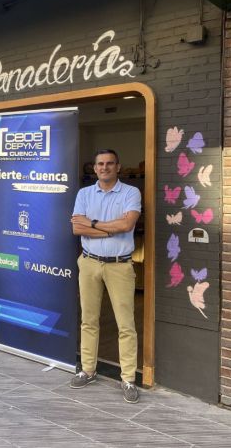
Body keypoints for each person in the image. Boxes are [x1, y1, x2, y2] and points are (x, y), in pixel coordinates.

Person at [70, 149, 141, 403]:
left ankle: (128, 378)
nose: (104, 167)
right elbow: (77, 227)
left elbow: (126, 225)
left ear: (118, 167)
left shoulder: (131, 193)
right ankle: (88, 369)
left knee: (126, 324)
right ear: (95, 168)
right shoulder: (84, 194)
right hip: (89, 263)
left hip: (119, 266)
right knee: (88, 320)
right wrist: (108, 228)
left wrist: (94, 224)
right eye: (100, 163)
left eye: (110, 163)